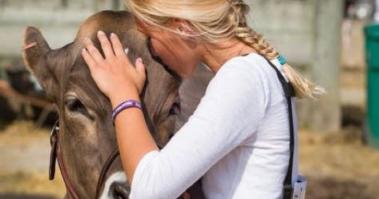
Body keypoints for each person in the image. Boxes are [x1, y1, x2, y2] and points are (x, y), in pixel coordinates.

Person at [80, 0, 321, 198]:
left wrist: (123, 93)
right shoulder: (250, 73)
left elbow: (148, 190)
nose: (152, 52)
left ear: (183, 27)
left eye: (150, 37)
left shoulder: (243, 78)